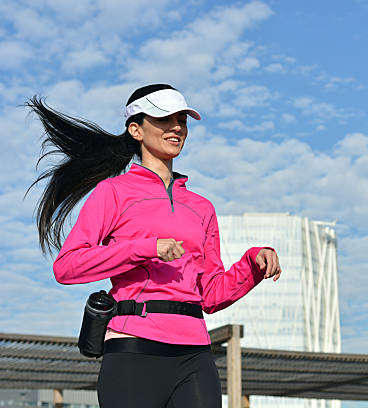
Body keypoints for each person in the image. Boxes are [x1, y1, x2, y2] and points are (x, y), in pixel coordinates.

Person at [28, 84, 282, 408]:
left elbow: (211, 294)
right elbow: (67, 267)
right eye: (164, 119)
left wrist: (252, 265)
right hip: (134, 349)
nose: (176, 127)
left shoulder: (202, 208)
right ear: (136, 129)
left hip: (195, 353)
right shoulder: (113, 192)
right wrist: (145, 248)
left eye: (182, 120)